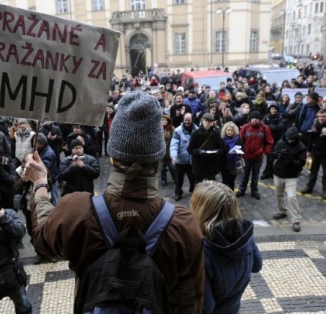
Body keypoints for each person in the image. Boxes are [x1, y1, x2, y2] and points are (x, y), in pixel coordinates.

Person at [25, 91, 205, 313]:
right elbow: (190, 302)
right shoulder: (184, 226)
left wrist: (41, 185)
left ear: (112, 155)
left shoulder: (75, 211)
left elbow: (42, 237)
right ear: (158, 157)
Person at [190, 180, 262, 313]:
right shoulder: (245, 235)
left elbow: (206, 308)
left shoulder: (201, 252)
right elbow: (257, 265)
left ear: (201, 209)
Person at [271, 127, 307, 232]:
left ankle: (295, 220)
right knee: (278, 194)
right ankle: (282, 211)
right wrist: (278, 154)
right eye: (288, 138)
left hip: (291, 176)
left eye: (292, 138)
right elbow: (272, 153)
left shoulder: (301, 147)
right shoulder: (281, 142)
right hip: (278, 173)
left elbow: (301, 163)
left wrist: (290, 160)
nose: (290, 140)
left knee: (291, 197)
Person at [301, 110, 326, 200]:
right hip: (315, 152)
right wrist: (308, 150)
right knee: (313, 171)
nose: (321, 118)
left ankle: (325, 191)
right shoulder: (315, 125)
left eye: (323, 116)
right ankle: (309, 186)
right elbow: (311, 138)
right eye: (320, 116)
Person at [236, 111, 274, 199]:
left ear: (260, 119)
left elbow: (270, 142)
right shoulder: (245, 127)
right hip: (246, 156)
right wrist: (241, 152)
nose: (255, 120)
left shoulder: (265, 128)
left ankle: (254, 191)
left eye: (257, 119)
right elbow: (239, 140)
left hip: (258, 157)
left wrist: (265, 152)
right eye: (253, 118)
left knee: (255, 175)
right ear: (250, 119)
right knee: (245, 175)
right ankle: (242, 189)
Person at [187, 113, 226, 184]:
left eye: (209, 121)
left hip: (212, 164)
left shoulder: (216, 134)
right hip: (200, 164)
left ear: (212, 123)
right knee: (199, 186)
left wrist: (217, 152)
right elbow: (190, 149)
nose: (207, 123)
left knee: (212, 187)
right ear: (203, 121)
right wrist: (199, 152)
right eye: (206, 121)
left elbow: (222, 148)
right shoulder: (195, 133)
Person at [170, 112, 197, 201]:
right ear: (183, 120)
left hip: (192, 160)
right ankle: (178, 192)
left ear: (192, 120)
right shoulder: (177, 131)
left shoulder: (197, 129)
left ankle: (193, 191)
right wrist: (173, 156)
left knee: (193, 178)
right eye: (186, 120)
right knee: (178, 179)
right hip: (180, 160)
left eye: (189, 120)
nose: (187, 122)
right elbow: (174, 144)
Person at [220, 122, 242, 190]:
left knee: (232, 182)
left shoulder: (238, 139)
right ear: (225, 130)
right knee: (224, 182)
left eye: (231, 130)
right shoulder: (222, 139)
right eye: (228, 130)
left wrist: (238, 153)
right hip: (224, 164)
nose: (229, 132)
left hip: (234, 163)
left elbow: (241, 148)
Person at [161, 115, 176, 186]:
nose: (164, 121)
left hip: (169, 151)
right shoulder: (158, 128)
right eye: (162, 120)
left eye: (165, 120)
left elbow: (175, 140)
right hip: (161, 151)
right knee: (162, 167)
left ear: (168, 121)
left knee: (172, 167)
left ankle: (175, 178)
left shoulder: (172, 129)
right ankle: (163, 179)